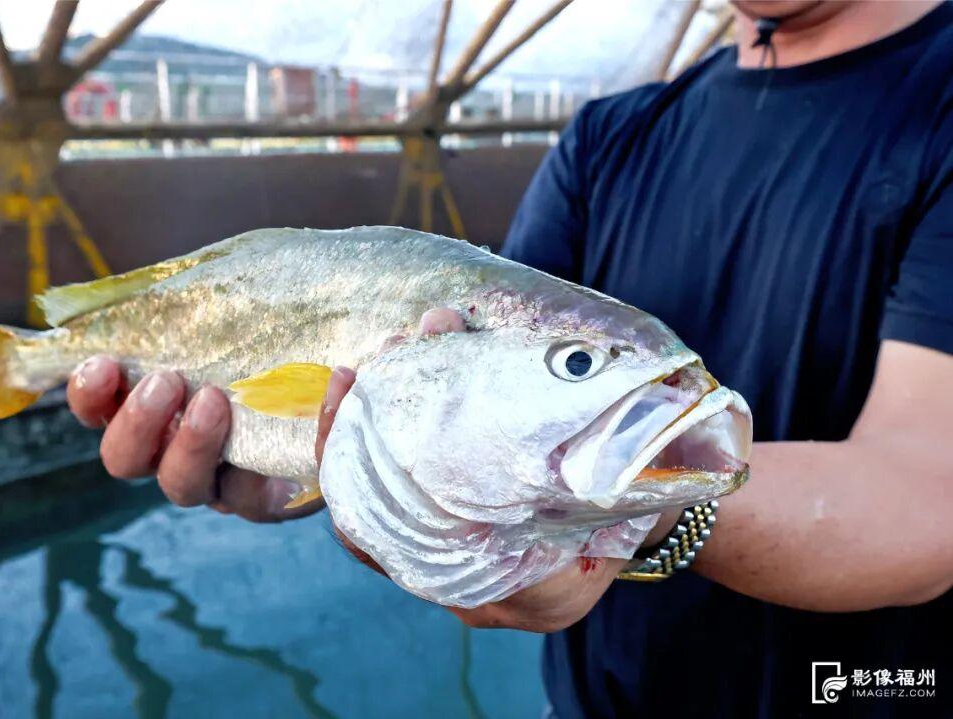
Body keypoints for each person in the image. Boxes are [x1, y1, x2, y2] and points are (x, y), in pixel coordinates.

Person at [65, 1, 953, 716]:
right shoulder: (610, 138)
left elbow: (928, 495)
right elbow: (479, 391)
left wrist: (629, 513)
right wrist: (314, 463)